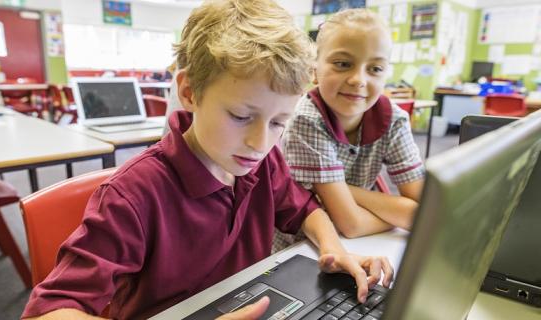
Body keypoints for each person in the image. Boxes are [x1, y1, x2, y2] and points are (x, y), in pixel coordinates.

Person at [22, 2, 393, 319]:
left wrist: (334, 249)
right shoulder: (132, 195)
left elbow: (303, 209)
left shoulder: (262, 163)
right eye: (241, 116)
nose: (260, 142)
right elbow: (51, 309)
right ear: (189, 92)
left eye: (279, 122)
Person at [282, 9, 425, 240]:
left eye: (375, 69)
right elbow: (351, 225)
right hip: (304, 247)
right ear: (314, 70)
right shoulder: (306, 119)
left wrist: (346, 192)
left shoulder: (394, 119)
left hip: (366, 244)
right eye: (342, 63)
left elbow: (423, 213)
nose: (359, 79)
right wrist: (398, 215)